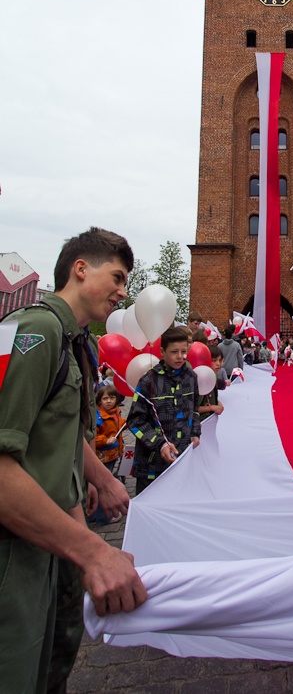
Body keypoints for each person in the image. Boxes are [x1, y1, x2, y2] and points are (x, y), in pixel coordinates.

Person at [0, 227, 147, 694]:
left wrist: (100, 477)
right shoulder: (38, 331)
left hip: (51, 538)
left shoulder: (76, 341)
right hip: (16, 550)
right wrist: (93, 550)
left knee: (51, 670)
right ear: (81, 270)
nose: (124, 292)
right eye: (119, 277)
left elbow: (59, 429)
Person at [127, 326, 201, 495]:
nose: (181, 356)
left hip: (182, 461)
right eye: (175, 352)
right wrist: (159, 444)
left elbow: (194, 409)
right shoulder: (148, 381)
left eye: (184, 351)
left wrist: (195, 432)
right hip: (151, 467)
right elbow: (135, 421)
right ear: (162, 351)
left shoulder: (191, 377)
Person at [89, 386, 126, 526]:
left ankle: (92, 514)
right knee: (102, 486)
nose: (109, 401)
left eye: (112, 398)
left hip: (113, 455)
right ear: (99, 401)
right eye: (105, 398)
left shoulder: (116, 412)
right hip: (102, 456)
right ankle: (103, 516)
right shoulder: (99, 417)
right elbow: (93, 438)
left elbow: (118, 426)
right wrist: (105, 440)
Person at [198, 345, 226, 422]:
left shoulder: (213, 376)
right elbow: (193, 408)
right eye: (214, 360)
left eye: (220, 360)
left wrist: (217, 403)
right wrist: (211, 408)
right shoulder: (201, 379)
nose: (218, 364)